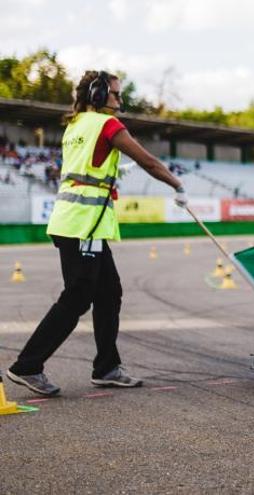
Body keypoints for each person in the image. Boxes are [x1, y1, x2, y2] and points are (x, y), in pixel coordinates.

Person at [5, 70, 188, 397]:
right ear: (99, 95)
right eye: (116, 94)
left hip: (75, 222)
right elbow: (147, 160)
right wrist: (177, 184)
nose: (120, 101)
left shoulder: (76, 125)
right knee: (77, 296)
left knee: (109, 293)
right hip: (84, 224)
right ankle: (27, 366)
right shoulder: (107, 125)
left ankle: (107, 367)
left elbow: (91, 165)